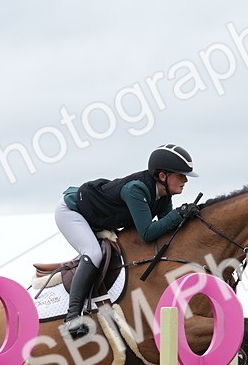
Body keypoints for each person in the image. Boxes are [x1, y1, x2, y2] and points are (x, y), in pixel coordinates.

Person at [55, 144, 200, 339]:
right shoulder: (136, 190)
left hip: (98, 218)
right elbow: (148, 233)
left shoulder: (164, 196)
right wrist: (179, 214)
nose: (185, 180)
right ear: (163, 176)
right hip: (72, 211)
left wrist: (185, 217)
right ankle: (72, 317)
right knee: (93, 253)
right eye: (181, 175)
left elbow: (166, 228)